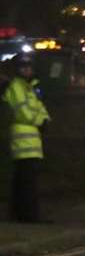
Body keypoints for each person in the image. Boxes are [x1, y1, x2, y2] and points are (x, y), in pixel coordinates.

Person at [4, 54, 50, 222]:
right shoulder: (17, 86)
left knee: (24, 180)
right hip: (22, 139)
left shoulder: (29, 87)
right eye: (23, 67)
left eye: (29, 67)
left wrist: (45, 119)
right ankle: (29, 216)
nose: (27, 70)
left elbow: (40, 107)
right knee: (26, 182)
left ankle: (20, 214)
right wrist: (40, 121)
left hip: (32, 140)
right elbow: (22, 112)